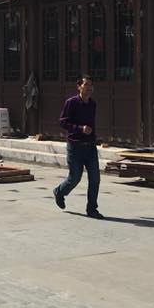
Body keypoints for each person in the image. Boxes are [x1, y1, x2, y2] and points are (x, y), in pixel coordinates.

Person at [53, 75, 103, 219]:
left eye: (91, 85)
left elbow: (91, 124)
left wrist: (93, 137)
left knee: (95, 179)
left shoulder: (92, 104)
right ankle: (59, 192)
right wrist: (80, 128)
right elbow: (63, 122)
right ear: (79, 87)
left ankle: (92, 209)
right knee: (74, 178)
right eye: (86, 85)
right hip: (75, 147)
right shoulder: (71, 102)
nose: (89, 88)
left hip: (90, 147)